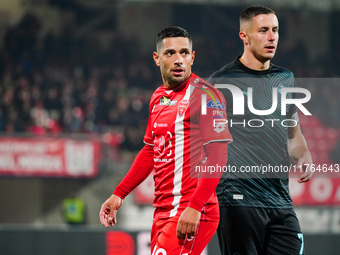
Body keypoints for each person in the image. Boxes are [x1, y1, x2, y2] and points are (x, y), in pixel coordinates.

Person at [99, 26, 232, 255]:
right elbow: (151, 151)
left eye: (184, 53)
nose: (178, 59)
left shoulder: (207, 96)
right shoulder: (158, 97)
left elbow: (218, 155)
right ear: (157, 58)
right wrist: (119, 193)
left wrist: (195, 207)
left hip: (190, 209)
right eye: (170, 53)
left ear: (192, 57)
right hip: (162, 211)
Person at [208, 5, 313, 255]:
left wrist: (304, 154)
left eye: (275, 30)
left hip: (279, 199)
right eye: (263, 30)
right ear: (244, 36)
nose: (272, 37)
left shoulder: (285, 79)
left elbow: (293, 133)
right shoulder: (220, 82)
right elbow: (206, 143)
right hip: (237, 197)